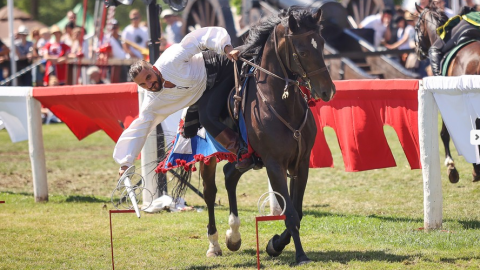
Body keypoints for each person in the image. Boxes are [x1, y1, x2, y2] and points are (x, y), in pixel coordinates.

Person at [114, 27, 254, 177]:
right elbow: (140, 127)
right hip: (209, 90)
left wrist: (227, 48)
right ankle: (244, 153)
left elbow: (198, 39)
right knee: (206, 117)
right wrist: (125, 163)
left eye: (148, 77)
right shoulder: (153, 102)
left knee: (258, 49)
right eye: (142, 85)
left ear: (153, 68)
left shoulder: (171, 59)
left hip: (222, 64)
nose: (149, 85)